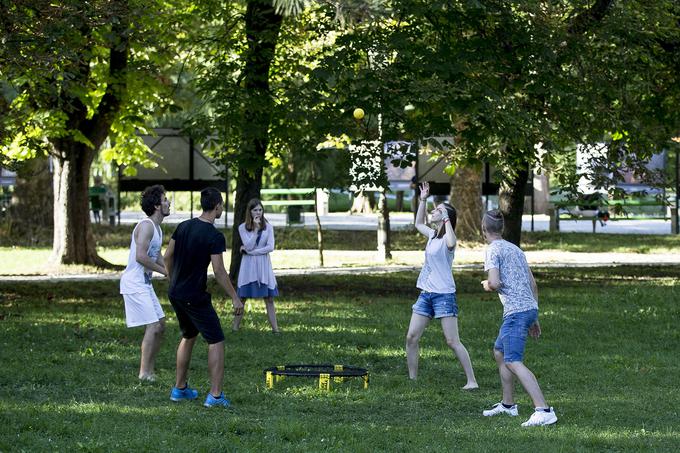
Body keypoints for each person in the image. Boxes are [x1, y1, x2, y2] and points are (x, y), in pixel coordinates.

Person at [164, 187, 244, 408]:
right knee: (216, 339)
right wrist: (235, 298)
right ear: (217, 206)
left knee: (189, 334)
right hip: (194, 296)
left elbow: (167, 257)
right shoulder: (214, 236)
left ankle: (180, 390)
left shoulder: (183, 226)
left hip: (176, 293)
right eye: (222, 205)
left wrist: (172, 280)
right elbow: (219, 271)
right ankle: (216, 396)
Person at [480, 209, 558, 427]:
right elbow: (532, 283)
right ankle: (508, 405)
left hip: (516, 312)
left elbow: (494, 282)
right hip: (528, 309)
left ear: (484, 229)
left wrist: (487, 285)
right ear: (502, 228)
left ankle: (543, 410)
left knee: (513, 360)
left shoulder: (492, 250)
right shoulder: (516, 249)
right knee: (500, 351)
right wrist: (534, 316)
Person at [405, 181, 478, 389]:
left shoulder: (448, 239)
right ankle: (413, 380)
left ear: (445, 217)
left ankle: (472, 381)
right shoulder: (432, 235)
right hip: (426, 294)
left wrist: (446, 216)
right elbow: (419, 224)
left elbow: (452, 242)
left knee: (452, 341)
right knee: (411, 337)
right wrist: (423, 200)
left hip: (444, 295)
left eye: (438, 210)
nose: (433, 211)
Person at [119, 185, 170, 381]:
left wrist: (170, 272)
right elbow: (141, 257)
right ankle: (144, 373)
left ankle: (150, 370)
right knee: (154, 326)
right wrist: (164, 271)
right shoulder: (146, 225)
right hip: (134, 283)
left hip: (145, 283)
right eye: (165, 200)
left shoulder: (156, 228)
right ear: (157, 206)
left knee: (161, 325)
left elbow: (156, 254)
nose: (168, 203)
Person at [233, 198, 280, 333]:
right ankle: (235, 327)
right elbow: (248, 245)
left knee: (269, 298)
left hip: (263, 265)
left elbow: (270, 247)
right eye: (255, 210)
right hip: (248, 266)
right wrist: (255, 231)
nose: (258, 212)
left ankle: (275, 329)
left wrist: (252, 252)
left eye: (260, 209)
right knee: (242, 297)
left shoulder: (269, 227)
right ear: (250, 212)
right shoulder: (242, 227)